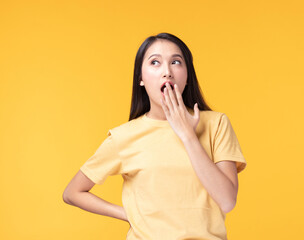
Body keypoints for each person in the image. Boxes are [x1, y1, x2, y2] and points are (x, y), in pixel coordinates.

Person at [63, 32, 247, 240]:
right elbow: (72, 193)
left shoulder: (216, 124)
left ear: (187, 75)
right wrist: (129, 214)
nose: (167, 72)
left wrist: (187, 135)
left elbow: (227, 201)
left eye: (176, 62)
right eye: (155, 63)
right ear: (141, 78)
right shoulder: (124, 136)